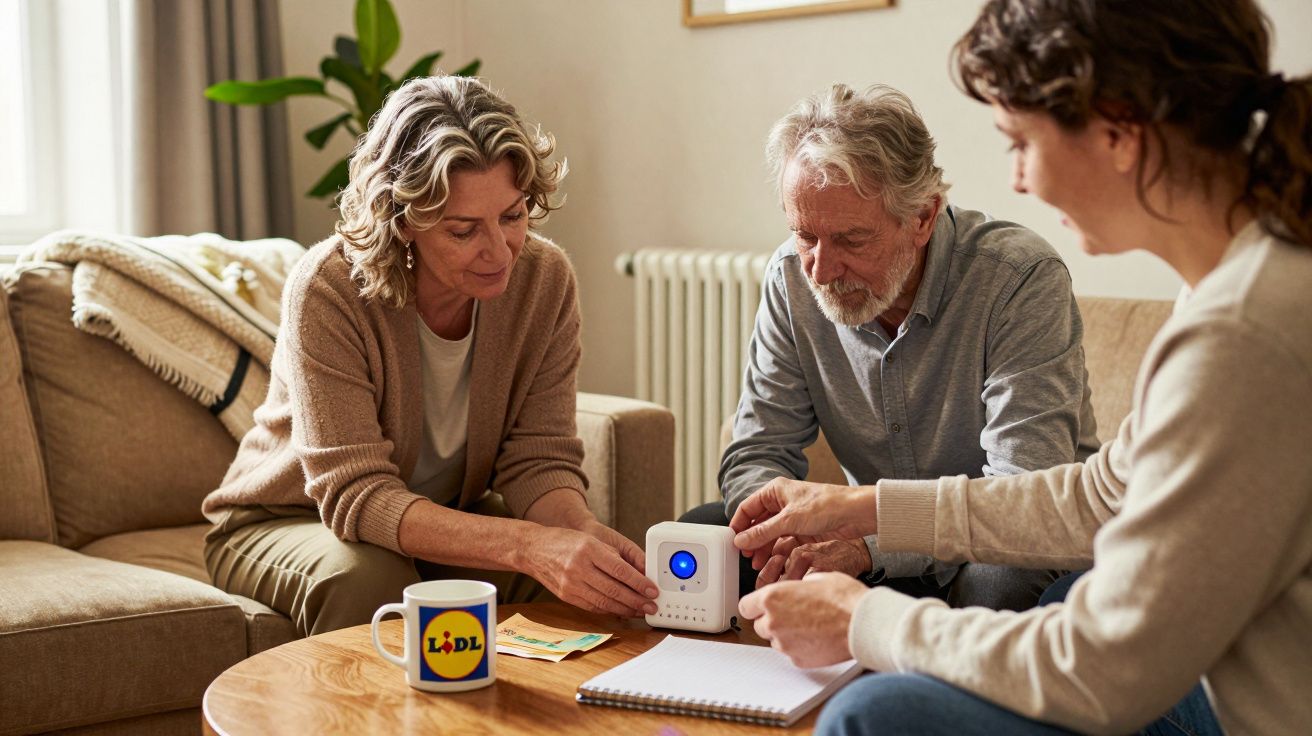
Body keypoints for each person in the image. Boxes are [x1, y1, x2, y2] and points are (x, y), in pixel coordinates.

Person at [730, 1, 1312, 734]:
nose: (1018, 180)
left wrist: (865, 616)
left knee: (875, 714)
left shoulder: (1243, 331)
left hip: (1235, 705)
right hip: (1201, 662)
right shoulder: (1230, 286)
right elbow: (1103, 496)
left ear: (1119, 133)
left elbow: (1105, 668)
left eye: (1019, 142)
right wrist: (864, 507)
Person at [202, 75, 658, 636]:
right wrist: (526, 545)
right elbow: (357, 496)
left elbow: (538, 460)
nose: (500, 252)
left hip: (437, 517)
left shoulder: (544, 279)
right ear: (402, 221)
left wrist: (577, 534)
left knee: (579, 583)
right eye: (464, 231)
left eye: (512, 217)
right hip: (285, 519)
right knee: (368, 578)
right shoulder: (328, 288)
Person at [683, 83, 1099, 611]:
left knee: (993, 580)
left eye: (852, 241)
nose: (821, 269)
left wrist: (867, 547)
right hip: (872, 550)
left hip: (1009, 544)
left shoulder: (1018, 279)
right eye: (803, 234)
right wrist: (784, 534)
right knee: (703, 536)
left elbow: (1021, 496)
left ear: (923, 217)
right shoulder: (792, 276)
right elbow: (758, 450)